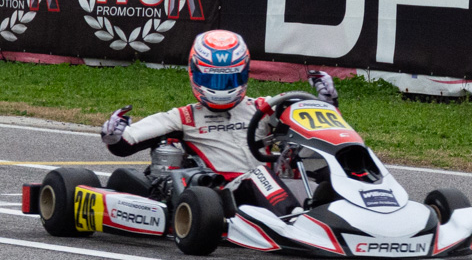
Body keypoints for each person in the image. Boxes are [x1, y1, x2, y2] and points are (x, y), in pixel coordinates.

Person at [99, 30, 341, 180]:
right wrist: (114, 136)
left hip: (272, 187)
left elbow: (318, 126)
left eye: (229, 79)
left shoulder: (263, 107)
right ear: (196, 73)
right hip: (220, 195)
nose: (222, 88)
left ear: (243, 73)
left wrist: (326, 104)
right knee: (126, 179)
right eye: (213, 80)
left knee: (323, 167)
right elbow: (126, 143)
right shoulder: (183, 117)